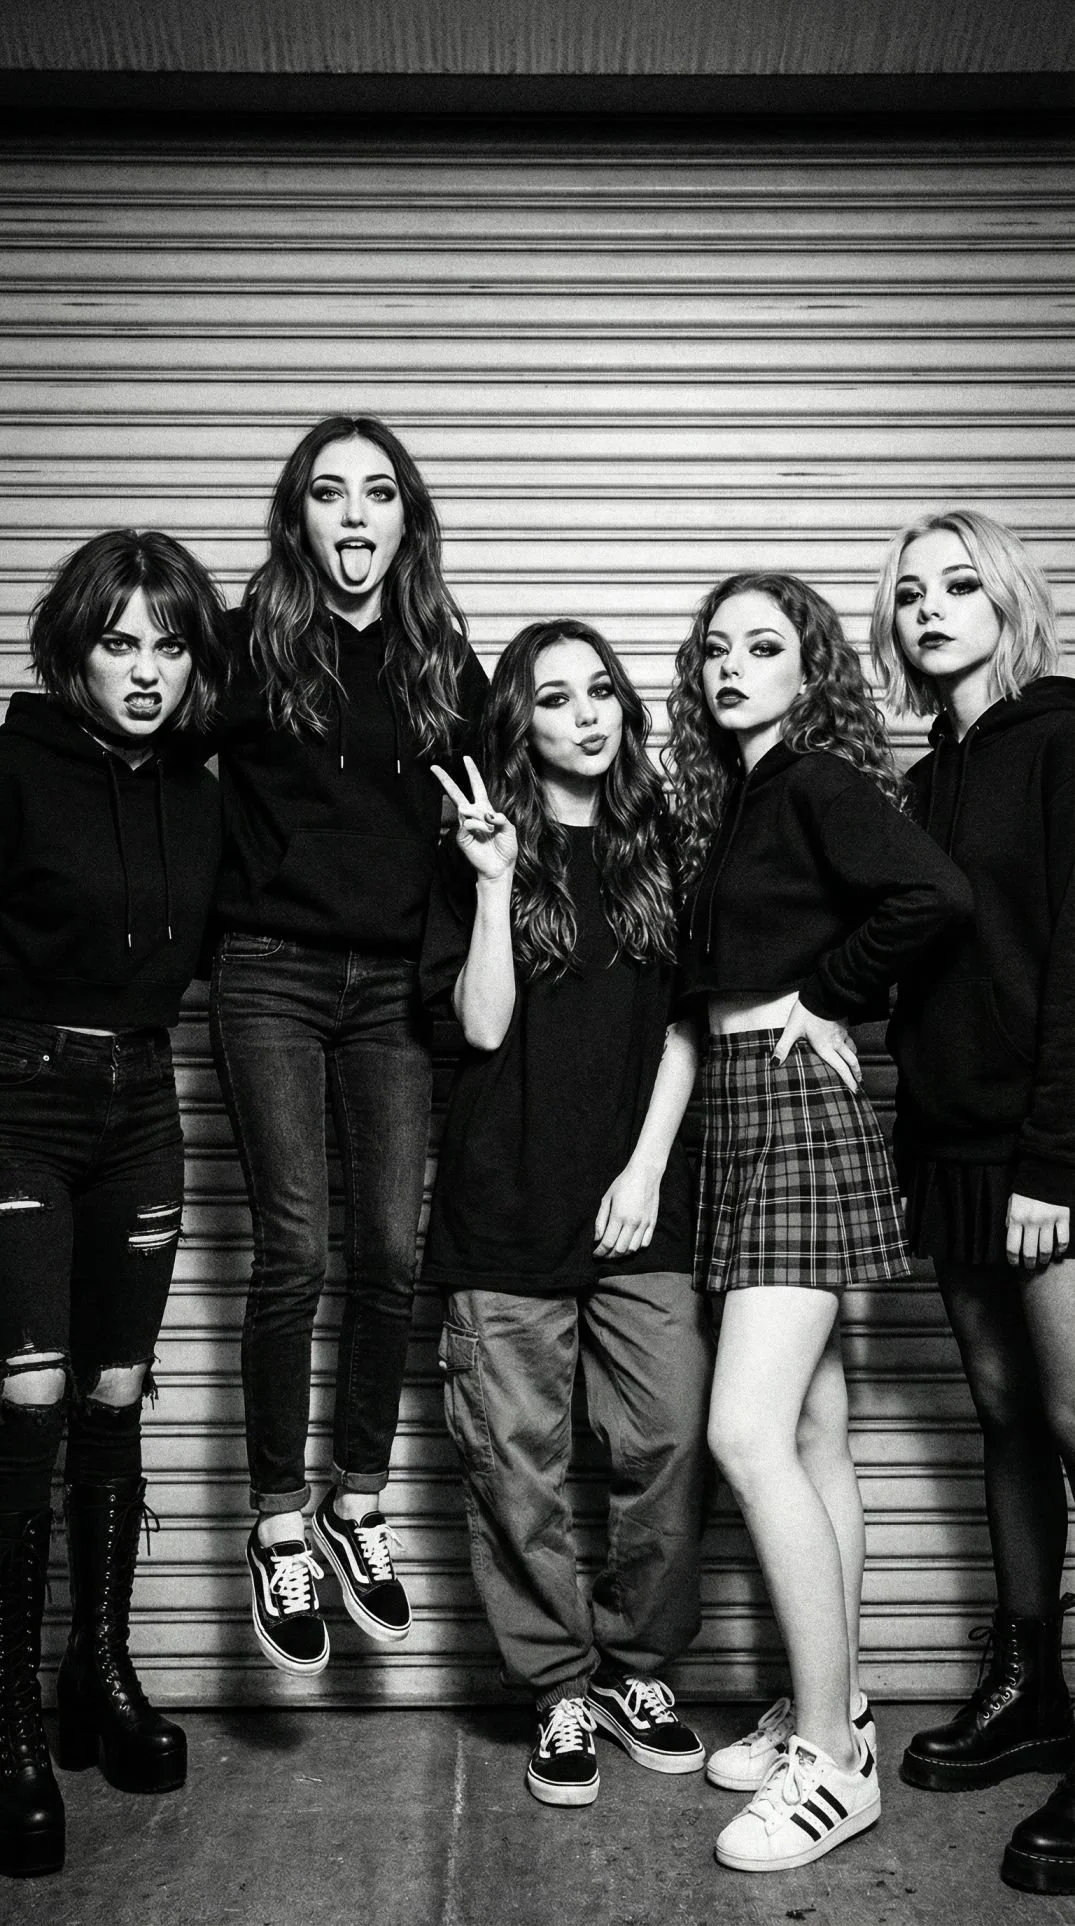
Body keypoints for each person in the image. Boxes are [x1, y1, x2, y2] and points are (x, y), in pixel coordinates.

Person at [661, 570, 971, 1872]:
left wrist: (822, 994)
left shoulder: (818, 784)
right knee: (814, 1425)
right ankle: (828, 1700)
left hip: (787, 1099)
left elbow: (933, 899)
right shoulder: (737, 801)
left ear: (809, 669)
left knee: (743, 1427)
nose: (733, 664)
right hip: (740, 1104)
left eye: (763, 645)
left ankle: (834, 1769)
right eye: (715, 648)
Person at [206, 415, 488, 1677]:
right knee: (295, 1249)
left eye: (379, 494)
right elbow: (143, 752)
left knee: (387, 1249)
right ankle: (276, 1524)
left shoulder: (441, 658)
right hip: (268, 969)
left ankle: (354, 1505)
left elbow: (493, 813)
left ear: (407, 520)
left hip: (391, 992)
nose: (356, 516)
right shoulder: (247, 646)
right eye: (330, 494)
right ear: (299, 518)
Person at [422, 618, 712, 1808]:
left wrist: (645, 1167)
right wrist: (492, 887)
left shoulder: (666, 844)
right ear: (518, 722)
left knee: (670, 1442)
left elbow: (691, 1020)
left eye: (603, 691)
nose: (587, 714)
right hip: (503, 1208)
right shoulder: (475, 850)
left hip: (640, 1200)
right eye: (555, 698)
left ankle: (636, 1669)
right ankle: (555, 1687)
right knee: (519, 1471)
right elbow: (479, 1025)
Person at [0, 530, 226, 1878]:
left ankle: (101, 1671)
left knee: (115, 1393)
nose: (145, 671)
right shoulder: (10, 765)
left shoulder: (202, 785)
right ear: (72, 647)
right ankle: (12, 1716)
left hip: (144, 1098)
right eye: (118, 641)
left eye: (170, 643)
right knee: (24, 1397)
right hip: (16, 1096)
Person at [871, 509, 1075, 1895]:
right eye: (905, 593)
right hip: (946, 1145)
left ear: (1005, 603)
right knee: (1002, 1410)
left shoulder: (1062, 739)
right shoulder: (921, 782)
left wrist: (1054, 1158)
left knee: (1072, 1415)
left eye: (955, 585)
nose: (928, 608)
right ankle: (1030, 1684)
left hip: (1040, 1146)